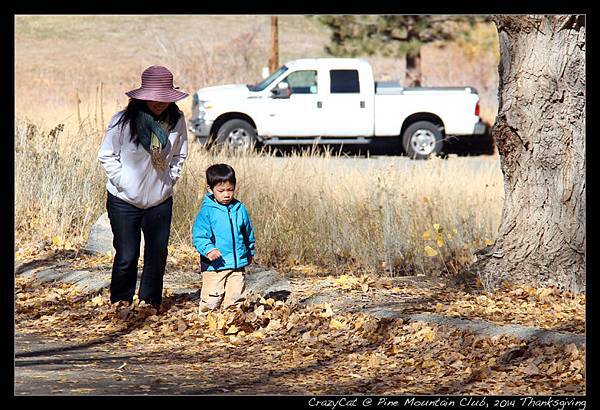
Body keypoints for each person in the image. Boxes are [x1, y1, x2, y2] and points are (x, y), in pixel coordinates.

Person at [98, 65, 189, 311]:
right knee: (127, 255)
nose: (158, 103)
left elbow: (180, 155)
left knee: (157, 254)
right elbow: (106, 155)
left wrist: (170, 180)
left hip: (159, 200)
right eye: (153, 97)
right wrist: (124, 182)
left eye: (163, 98)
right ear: (142, 96)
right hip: (123, 200)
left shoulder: (176, 121)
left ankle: (150, 302)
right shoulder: (122, 121)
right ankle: (120, 301)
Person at [192, 163, 255, 314]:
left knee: (236, 296)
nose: (226, 194)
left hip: (236, 264)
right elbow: (199, 236)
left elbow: (248, 233)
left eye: (230, 190)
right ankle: (206, 320)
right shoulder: (207, 211)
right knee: (212, 298)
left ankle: (232, 320)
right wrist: (209, 249)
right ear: (210, 189)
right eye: (221, 191)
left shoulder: (239, 209)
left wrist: (249, 252)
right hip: (214, 265)